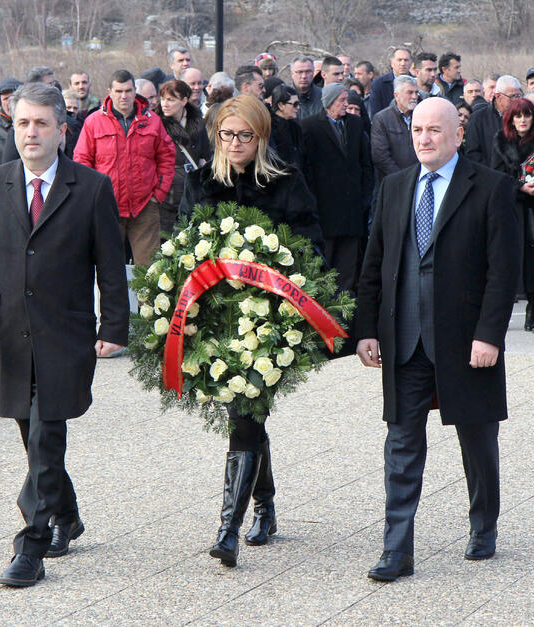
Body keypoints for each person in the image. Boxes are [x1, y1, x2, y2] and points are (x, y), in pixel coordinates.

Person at [0, 82, 129, 587]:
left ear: (61, 130)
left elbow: (110, 266)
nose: (30, 132)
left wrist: (113, 325)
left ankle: (30, 544)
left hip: (66, 335)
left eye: (41, 123)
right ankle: (67, 516)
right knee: (33, 437)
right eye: (23, 123)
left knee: (45, 433)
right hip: (10, 333)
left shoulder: (90, 187)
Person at [355, 98, 518, 582]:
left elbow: (503, 272)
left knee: (477, 440)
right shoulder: (394, 186)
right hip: (404, 341)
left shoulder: (491, 188)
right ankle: (396, 550)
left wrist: (488, 336)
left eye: (434, 130)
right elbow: (374, 265)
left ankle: (483, 524)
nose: (424, 139)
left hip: (465, 343)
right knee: (401, 446)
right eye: (417, 130)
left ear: (458, 135)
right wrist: (365, 329)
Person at [178, 95, 321, 568]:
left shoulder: (286, 183)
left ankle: (228, 530)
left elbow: (310, 246)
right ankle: (265, 506)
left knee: (245, 415)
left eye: (245, 135)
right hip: (215, 321)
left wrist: (279, 281)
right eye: (227, 134)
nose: (235, 143)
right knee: (247, 416)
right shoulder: (199, 183)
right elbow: (179, 246)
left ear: (261, 137)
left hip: (269, 321)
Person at [73, 70, 174, 267]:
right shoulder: (94, 121)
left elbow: (167, 157)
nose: (124, 96)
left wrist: (159, 194)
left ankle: (148, 291)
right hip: (107, 206)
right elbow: (82, 161)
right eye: (118, 91)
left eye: (128, 91)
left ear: (135, 91)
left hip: (145, 206)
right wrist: (92, 197)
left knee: (150, 270)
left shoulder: (152, 121)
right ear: (109, 92)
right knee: (107, 266)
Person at [301, 83, 373, 296]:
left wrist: (364, 197)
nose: (346, 104)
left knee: (348, 267)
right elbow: (307, 168)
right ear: (329, 102)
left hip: (352, 210)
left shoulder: (356, 124)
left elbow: (365, 163)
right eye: (342, 100)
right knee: (325, 263)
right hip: (325, 210)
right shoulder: (310, 126)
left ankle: (346, 308)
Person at [491, 97, 534, 331]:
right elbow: (496, 175)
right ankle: (505, 310)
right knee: (508, 259)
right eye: (518, 116)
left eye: (527, 115)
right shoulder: (501, 141)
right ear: (511, 119)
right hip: (511, 207)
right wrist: (519, 187)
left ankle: (533, 306)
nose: (523, 120)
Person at [157, 79, 209, 238]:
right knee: (167, 240)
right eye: (163, 99)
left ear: (184, 101)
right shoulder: (156, 124)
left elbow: (206, 153)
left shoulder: (198, 123)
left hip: (193, 190)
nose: (165, 104)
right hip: (168, 194)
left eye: (171, 100)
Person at [464, 75, 522, 165]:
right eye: (512, 96)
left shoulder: (523, 118)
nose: (516, 100)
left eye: (518, 96)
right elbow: (472, 153)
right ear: (498, 96)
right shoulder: (478, 118)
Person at [370, 75, 419, 180]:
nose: (414, 97)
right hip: (394, 181)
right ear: (396, 95)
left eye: (416, 92)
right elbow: (380, 156)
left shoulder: (421, 116)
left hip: (418, 178)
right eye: (410, 92)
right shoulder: (382, 119)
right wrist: (403, 178)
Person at [268, 84, 305, 170]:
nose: (298, 107)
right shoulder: (269, 128)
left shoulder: (295, 126)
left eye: (298, 103)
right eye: (295, 104)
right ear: (281, 105)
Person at [368, 48, 412, 117]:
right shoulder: (379, 84)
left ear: (411, 63)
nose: (403, 63)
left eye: (406, 60)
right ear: (392, 63)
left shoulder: (416, 82)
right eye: (399, 60)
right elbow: (375, 114)